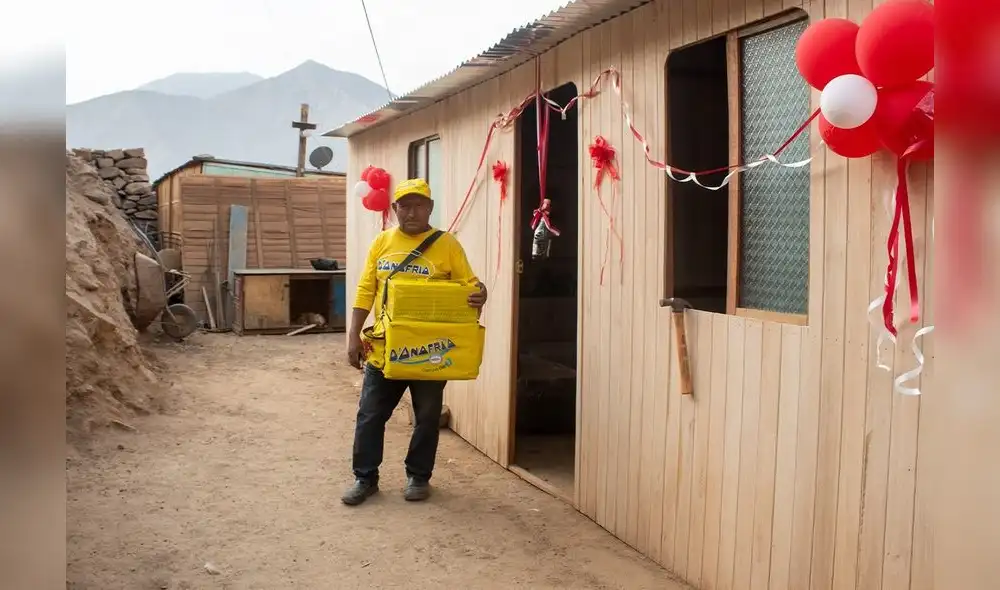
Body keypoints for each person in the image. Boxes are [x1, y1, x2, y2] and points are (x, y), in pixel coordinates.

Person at [343, 177, 487, 505]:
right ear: (394, 209)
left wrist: (481, 292)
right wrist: (353, 335)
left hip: (430, 351)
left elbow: (471, 284)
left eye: (418, 204)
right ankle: (365, 478)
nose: (411, 212)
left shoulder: (447, 245)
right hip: (385, 348)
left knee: (426, 416)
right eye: (404, 205)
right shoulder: (382, 243)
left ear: (430, 208)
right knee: (370, 414)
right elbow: (366, 290)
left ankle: (419, 477)